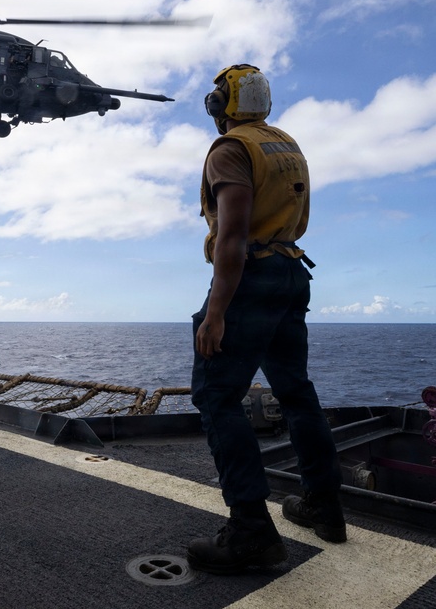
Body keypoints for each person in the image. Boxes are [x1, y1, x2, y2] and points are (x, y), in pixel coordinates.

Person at [186, 64, 346, 575]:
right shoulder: (285, 144)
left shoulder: (230, 150)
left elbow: (232, 236)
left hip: (250, 279)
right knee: (297, 393)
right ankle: (324, 507)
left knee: (217, 396)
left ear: (221, 106)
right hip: (292, 272)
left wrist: (216, 314)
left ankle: (252, 531)